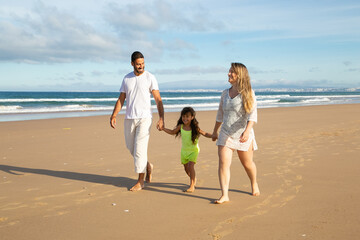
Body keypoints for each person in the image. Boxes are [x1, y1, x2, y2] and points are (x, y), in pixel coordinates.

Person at [110, 51, 164, 191]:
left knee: (140, 149)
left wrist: (161, 118)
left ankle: (141, 180)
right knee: (131, 148)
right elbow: (121, 98)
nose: (141, 66)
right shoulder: (126, 78)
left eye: (143, 64)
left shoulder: (150, 77)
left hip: (145, 118)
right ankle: (147, 166)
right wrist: (114, 115)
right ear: (132, 64)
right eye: (138, 64)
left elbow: (158, 99)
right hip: (129, 118)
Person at [211, 62, 260, 204]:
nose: (228, 74)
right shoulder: (225, 94)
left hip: (243, 134)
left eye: (232, 71)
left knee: (247, 164)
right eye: (229, 71)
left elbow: (252, 115)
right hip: (226, 133)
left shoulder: (248, 93)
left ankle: (254, 183)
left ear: (239, 75)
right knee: (223, 163)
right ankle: (224, 195)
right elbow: (220, 114)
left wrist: (247, 131)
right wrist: (215, 131)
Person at [162, 107, 212, 193]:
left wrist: (214, 135)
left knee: (190, 166)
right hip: (184, 151)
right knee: (186, 168)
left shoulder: (195, 128)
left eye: (187, 116)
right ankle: (193, 179)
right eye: (183, 116)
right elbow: (172, 132)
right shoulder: (180, 126)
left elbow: (205, 133)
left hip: (194, 150)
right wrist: (163, 128)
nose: (185, 118)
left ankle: (192, 185)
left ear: (192, 117)